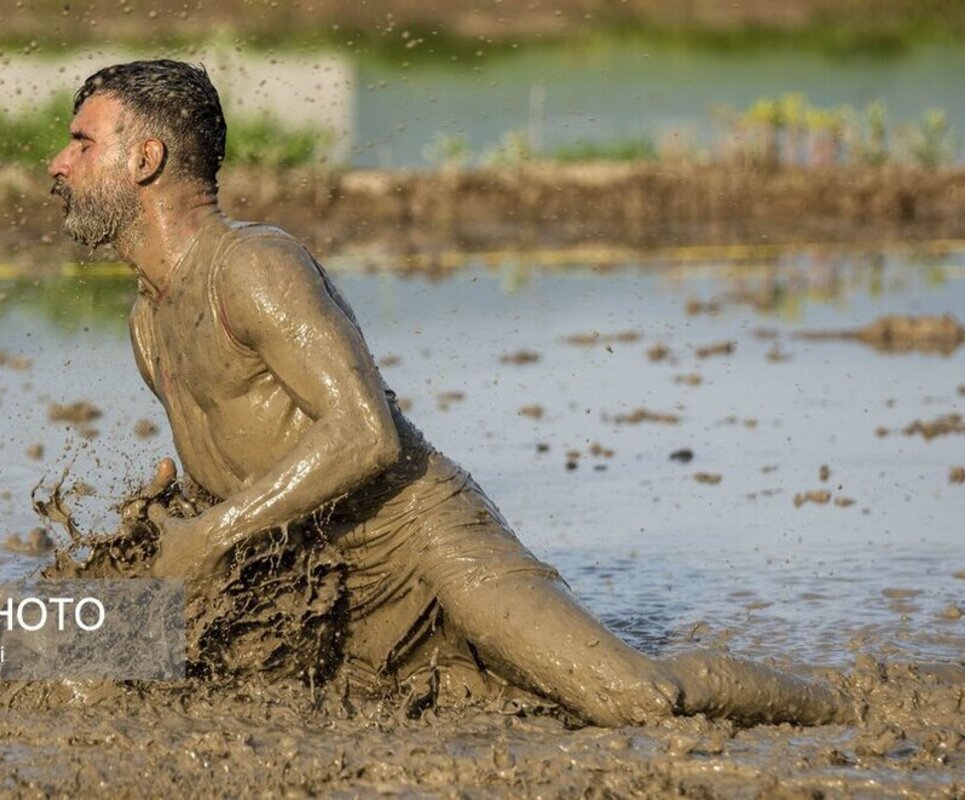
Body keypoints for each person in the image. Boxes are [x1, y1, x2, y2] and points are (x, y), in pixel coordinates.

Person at [47, 58, 849, 727]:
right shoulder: (148, 325)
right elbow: (247, 458)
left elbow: (366, 435)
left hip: (427, 543)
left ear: (144, 160)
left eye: (81, 143)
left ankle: (843, 709)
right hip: (328, 587)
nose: (57, 164)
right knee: (55, 656)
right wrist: (166, 522)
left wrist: (213, 532)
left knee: (635, 698)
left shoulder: (253, 267)